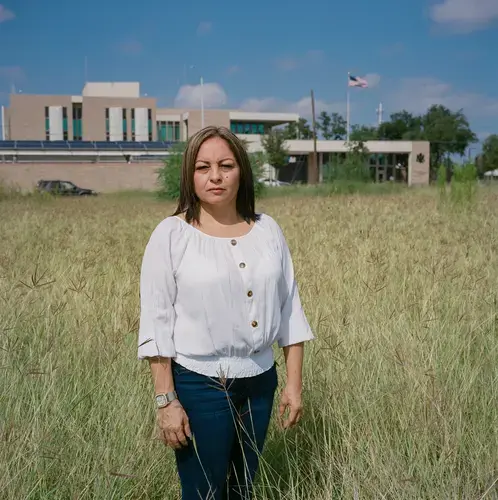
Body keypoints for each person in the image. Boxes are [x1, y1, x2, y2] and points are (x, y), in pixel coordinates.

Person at [138, 125, 314, 499]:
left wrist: (294, 386)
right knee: (204, 492)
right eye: (203, 167)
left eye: (226, 165)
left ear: (242, 172)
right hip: (200, 384)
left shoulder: (268, 230)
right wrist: (166, 400)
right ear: (190, 174)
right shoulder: (171, 235)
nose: (215, 176)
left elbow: (289, 309)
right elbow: (157, 323)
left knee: (242, 489)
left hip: (261, 383)